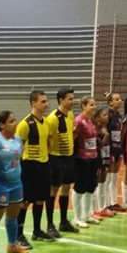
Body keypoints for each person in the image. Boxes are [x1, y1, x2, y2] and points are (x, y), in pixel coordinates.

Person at [0, 110, 28, 253]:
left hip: (16, 184)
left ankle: (12, 244)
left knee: (12, 217)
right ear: (1, 124)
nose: (15, 123)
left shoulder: (18, 140)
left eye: (15, 120)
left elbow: (17, 160)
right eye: (11, 121)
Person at [15, 90, 54, 249]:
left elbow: (48, 142)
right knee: (25, 201)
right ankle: (18, 234)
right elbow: (17, 147)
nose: (46, 104)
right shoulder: (25, 124)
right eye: (42, 101)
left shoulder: (46, 122)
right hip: (29, 166)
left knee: (40, 199)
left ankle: (37, 231)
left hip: (43, 165)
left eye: (46, 101)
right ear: (33, 103)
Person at [45, 88, 79, 236]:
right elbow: (46, 139)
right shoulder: (52, 119)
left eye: (73, 98)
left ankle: (64, 221)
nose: (72, 101)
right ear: (61, 100)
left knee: (66, 188)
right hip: (56, 157)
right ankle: (50, 224)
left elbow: (71, 133)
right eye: (69, 99)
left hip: (69, 157)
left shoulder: (71, 115)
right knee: (53, 190)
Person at [72, 97, 100, 228]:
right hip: (82, 158)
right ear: (83, 106)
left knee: (90, 187)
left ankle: (87, 215)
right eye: (91, 105)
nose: (94, 107)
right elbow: (73, 138)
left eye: (95, 105)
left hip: (93, 158)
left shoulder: (91, 121)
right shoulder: (78, 121)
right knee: (80, 188)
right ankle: (76, 217)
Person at [91, 102, 114, 220]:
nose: (107, 117)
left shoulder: (106, 127)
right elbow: (98, 145)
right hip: (96, 157)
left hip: (105, 155)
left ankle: (102, 207)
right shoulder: (94, 128)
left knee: (103, 181)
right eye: (104, 115)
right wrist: (105, 136)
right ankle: (94, 209)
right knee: (95, 182)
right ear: (97, 117)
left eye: (107, 115)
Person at [106, 92, 126, 212]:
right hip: (109, 149)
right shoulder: (107, 114)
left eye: (120, 99)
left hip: (117, 148)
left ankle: (113, 202)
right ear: (110, 102)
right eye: (116, 99)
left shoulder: (118, 115)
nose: (120, 101)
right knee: (108, 178)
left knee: (114, 177)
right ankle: (106, 203)